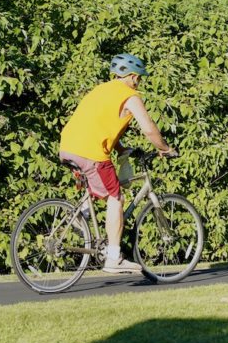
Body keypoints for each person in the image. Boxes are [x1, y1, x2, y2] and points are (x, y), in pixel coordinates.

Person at [59, 53, 176, 273]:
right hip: (90, 152)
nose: (139, 82)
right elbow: (149, 128)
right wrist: (166, 149)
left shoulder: (100, 90)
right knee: (116, 196)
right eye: (139, 78)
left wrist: (122, 150)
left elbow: (99, 124)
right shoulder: (129, 96)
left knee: (101, 184)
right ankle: (113, 257)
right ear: (131, 76)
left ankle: (81, 215)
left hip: (67, 147)